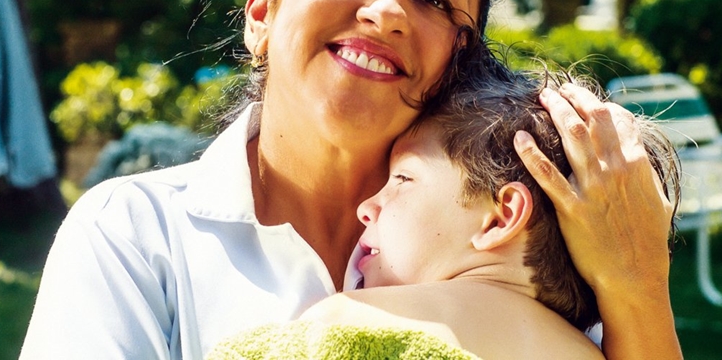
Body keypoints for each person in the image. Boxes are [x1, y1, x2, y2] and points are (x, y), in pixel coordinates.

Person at [20, 0, 682, 360]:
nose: (389, 11)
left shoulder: (543, 239)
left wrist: (639, 289)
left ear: (462, 57)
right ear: (261, 13)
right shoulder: (136, 232)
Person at [206, 51, 679, 359]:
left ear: (501, 217)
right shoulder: (602, 353)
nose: (368, 207)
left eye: (403, 179)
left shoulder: (359, 320)